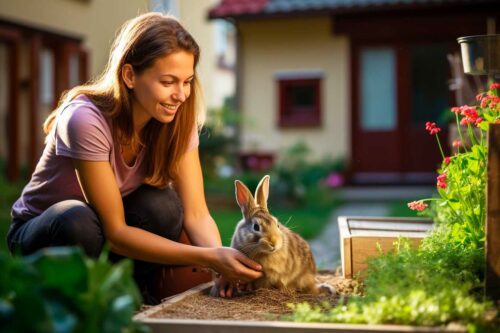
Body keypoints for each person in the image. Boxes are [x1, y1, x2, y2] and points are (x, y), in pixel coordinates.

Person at [6, 12, 262, 302]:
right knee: (78, 220)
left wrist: (221, 264)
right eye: (168, 82)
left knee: (163, 206)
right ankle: (73, 301)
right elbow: (115, 231)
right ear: (129, 76)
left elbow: (197, 213)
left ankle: (131, 292)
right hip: (47, 232)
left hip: (99, 229)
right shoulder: (85, 119)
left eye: (187, 81)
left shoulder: (176, 119)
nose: (180, 95)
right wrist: (208, 257)